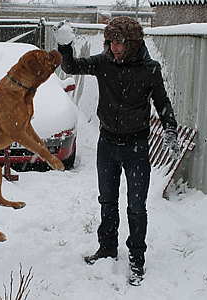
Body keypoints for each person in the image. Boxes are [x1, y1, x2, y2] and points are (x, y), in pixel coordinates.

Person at [53, 17, 180, 286]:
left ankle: (137, 259)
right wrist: (65, 46)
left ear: (132, 43)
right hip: (107, 145)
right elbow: (71, 66)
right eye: (110, 42)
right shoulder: (103, 62)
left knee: (136, 207)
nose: (114, 48)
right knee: (107, 201)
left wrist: (171, 129)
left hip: (136, 148)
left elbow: (163, 103)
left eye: (119, 42)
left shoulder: (150, 69)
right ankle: (107, 248)